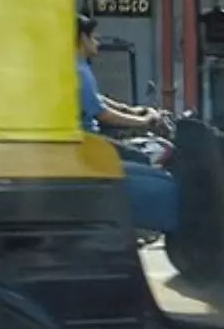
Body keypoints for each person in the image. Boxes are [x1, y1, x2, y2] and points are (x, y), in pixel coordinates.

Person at [76, 15, 178, 238]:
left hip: (86, 139)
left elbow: (98, 99)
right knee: (140, 158)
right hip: (89, 140)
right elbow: (103, 114)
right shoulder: (80, 71)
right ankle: (137, 226)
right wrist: (143, 122)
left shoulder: (78, 68)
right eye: (94, 37)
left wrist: (133, 110)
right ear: (82, 38)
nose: (98, 42)